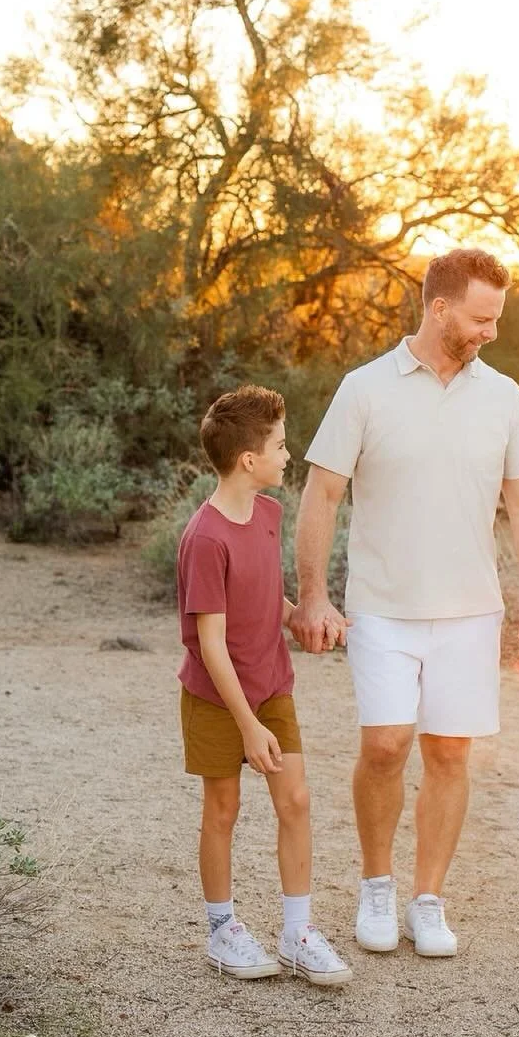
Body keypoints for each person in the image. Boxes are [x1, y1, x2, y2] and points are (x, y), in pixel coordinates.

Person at [292, 248, 519, 960]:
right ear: (439, 308)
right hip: (381, 605)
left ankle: (427, 899)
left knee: (449, 754)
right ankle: (375, 886)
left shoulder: (504, 397)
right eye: (480, 318)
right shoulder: (365, 389)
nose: (490, 333)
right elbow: (321, 494)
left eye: (496, 319)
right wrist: (314, 594)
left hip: (471, 610)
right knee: (385, 746)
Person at [176, 385, 351, 985]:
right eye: (279, 444)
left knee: (295, 800)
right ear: (248, 460)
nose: (288, 453)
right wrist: (246, 725)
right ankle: (222, 929)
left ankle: (297, 931)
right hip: (217, 696)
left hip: (272, 685)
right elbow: (210, 642)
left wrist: (301, 613)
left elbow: (259, 594)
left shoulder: (269, 514)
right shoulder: (205, 538)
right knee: (222, 808)